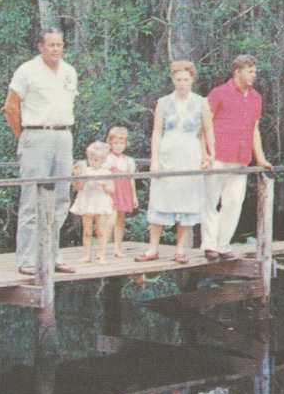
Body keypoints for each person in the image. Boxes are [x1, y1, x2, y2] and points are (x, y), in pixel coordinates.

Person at [3, 27, 78, 276]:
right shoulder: (27, 71)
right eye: (51, 45)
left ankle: (52, 254)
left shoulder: (69, 72)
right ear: (40, 47)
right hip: (36, 135)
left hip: (63, 136)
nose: (56, 49)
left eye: (59, 44)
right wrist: (24, 137)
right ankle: (26, 258)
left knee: (60, 199)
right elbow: (11, 107)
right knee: (32, 200)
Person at [136, 61, 215, 265]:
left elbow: (208, 130)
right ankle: (153, 248)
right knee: (161, 196)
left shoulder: (201, 102)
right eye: (178, 79)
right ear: (172, 80)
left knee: (187, 201)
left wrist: (209, 155)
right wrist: (154, 160)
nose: (182, 83)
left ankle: (180, 249)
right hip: (168, 153)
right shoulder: (163, 102)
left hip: (190, 154)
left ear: (192, 80)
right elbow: (156, 132)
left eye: (186, 80)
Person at [201, 54, 272, 260]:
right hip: (218, 155)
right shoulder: (219, 93)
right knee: (211, 201)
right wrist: (205, 153)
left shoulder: (256, 97)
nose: (253, 76)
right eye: (250, 72)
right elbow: (204, 126)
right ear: (237, 72)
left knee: (233, 202)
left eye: (255, 72)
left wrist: (260, 158)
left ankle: (223, 245)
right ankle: (209, 245)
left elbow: (254, 130)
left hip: (241, 158)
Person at [70, 141, 116, 265]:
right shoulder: (85, 171)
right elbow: (79, 187)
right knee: (87, 231)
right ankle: (86, 255)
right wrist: (77, 177)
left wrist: (104, 183)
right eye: (91, 159)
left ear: (102, 160)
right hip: (87, 201)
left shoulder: (106, 173)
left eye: (96, 160)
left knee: (101, 231)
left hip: (100, 202)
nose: (93, 162)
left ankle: (102, 256)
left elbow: (111, 190)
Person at [103, 126, 139, 258]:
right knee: (110, 220)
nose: (118, 146)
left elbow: (131, 179)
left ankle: (117, 248)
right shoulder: (108, 159)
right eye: (115, 143)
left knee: (120, 220)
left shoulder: (129, 161)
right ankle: (103, 247)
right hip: (112, 193)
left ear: (125, 144)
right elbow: (105, 177)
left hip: (125, 193)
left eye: (121, 143)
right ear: (110, 143)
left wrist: (134, 196)